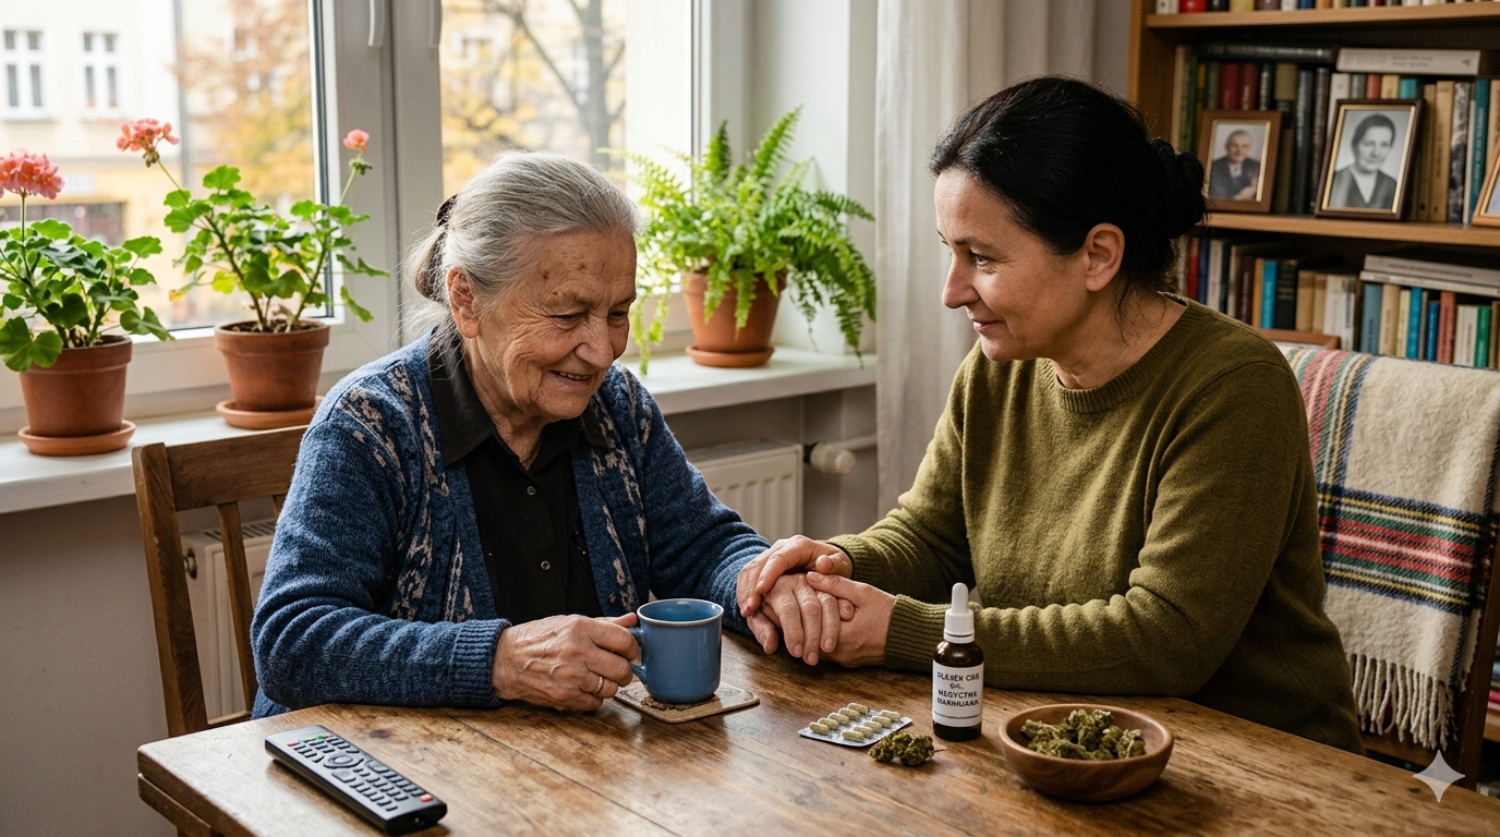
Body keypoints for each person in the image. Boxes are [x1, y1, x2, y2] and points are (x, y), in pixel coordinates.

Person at [737, 77, 1364, 753]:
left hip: (1262, 764)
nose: (952, 291)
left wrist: (907, 631)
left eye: (981, 258)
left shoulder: (1233, 387)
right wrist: (838, 566)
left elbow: (1165, 637)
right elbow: (932, 537)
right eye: (950, 251)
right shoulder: (997, 367)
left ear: (1098, 255)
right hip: (1061, 741)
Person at [251, 152, 769, 716]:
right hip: (386, 778)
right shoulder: (371, 424)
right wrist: (497, 659)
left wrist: (766, 584)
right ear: (466, 300)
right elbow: (292, 642)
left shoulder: (617, 407)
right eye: (567, 315)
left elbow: (702, 547)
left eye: (618, 313)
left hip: (562, 770)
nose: (601, 352)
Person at [1327, 113, 1398, 211]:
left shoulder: (1392, 185)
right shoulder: (1334, 180)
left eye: (1384, 145)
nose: (1376, 153)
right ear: (1354, 145)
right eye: (1369, 144)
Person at [1207, 129, 1260, 200]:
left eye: (1244, 146)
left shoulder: (1257, 167)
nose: (1239, 151)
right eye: (1235, 145)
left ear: (1249, 148)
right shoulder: (1213, 166)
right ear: (1227, 146)